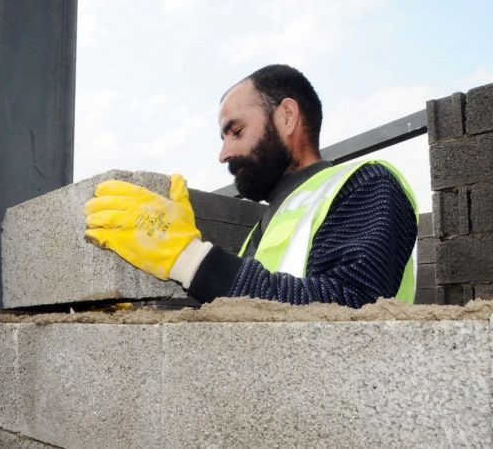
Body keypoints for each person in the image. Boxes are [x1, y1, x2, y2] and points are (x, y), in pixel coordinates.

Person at [83, 64, 418, 308]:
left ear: (287, 117)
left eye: (237, 131)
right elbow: (249, 310)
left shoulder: (366, 184)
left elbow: (353, 307)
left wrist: (191, 259)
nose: (224, 153)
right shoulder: (265, 226)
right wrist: (158, 300)